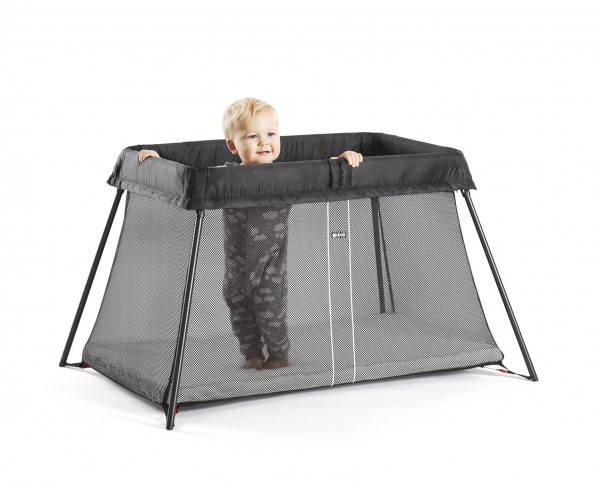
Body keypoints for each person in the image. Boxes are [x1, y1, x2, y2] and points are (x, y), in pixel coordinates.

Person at [138, 97, 363, 370]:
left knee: (271, 316)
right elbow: (193, 172)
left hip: (269, 271)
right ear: (233, 146)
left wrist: (340, 160)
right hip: (235, 270)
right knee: (240, 315)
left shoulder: (288, 177)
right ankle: (252, 353)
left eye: (271, 134)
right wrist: (159, 160)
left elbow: (320, 173)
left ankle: (279, 354)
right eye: (253, 136)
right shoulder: (227, 176)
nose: (264, 142)